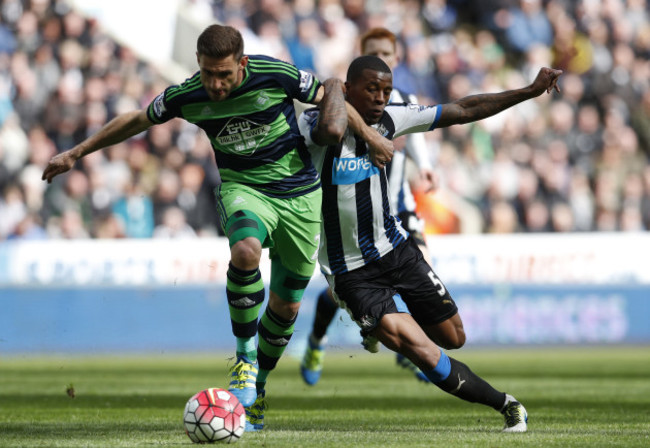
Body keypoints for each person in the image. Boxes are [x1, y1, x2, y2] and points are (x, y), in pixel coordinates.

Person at [41, 24, 386, 432]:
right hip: (244, 189)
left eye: (224, 74)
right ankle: (244, 359)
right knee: (244, 252)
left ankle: (258, 387)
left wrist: (370, 138)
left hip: (300, 196)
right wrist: (77, 152)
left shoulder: (275, 74)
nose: (216, 84)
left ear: (242, 63)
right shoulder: (187, 95)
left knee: (287, 306)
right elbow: (137, 119)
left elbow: (335, 97)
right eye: (208, 73)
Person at [298, 55, 562, 432]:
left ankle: (380, 320)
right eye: (370, 89)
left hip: (397, 252)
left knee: (454, 337)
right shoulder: (315, 129)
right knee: (420, 350)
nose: (379, 97)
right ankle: (507, 404)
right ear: (349, 87)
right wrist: (332, 87)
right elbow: (331, 124)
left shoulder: (393, 118)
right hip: (351, 272)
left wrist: (529, 91)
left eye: (386, 90)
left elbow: (463, 108)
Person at [301, 27, 436, 386]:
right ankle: (317, 340)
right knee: (338, 290)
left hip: (395, 200)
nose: (385, 60)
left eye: (388, 54)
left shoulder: (402, 97)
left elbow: (419, 129)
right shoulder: (347, 100)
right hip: (352, 209)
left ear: (396, 58)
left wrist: (424, 164)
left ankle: (414, 349)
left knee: (422, 261)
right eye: (376, 52)